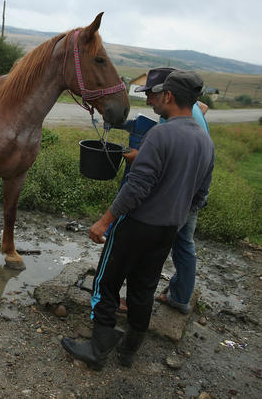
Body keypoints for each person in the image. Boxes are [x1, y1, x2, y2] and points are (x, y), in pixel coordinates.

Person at [61, 70, 214, 370]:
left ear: (169, 96)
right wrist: (175, 218)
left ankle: (97, 349)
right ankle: (129, 351)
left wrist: (105, 221)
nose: (152, 100)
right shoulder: (205, 142)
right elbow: (201, 195)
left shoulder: (161, 134)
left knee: (105, 284)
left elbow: (137, 187)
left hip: (136, 226)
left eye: (157, 95)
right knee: (143, 289)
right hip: (168, 230)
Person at [115, 67, 211, 315]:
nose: (148, 101)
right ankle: (180, 296)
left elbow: (143, 182)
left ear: (167, 95)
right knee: (182, 246)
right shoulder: (191, 112)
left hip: (177, 198)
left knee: (149, 255)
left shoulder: (171, 124)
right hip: (189, 195)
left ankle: (134, 303)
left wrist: (140, 156)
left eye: (151, 95)